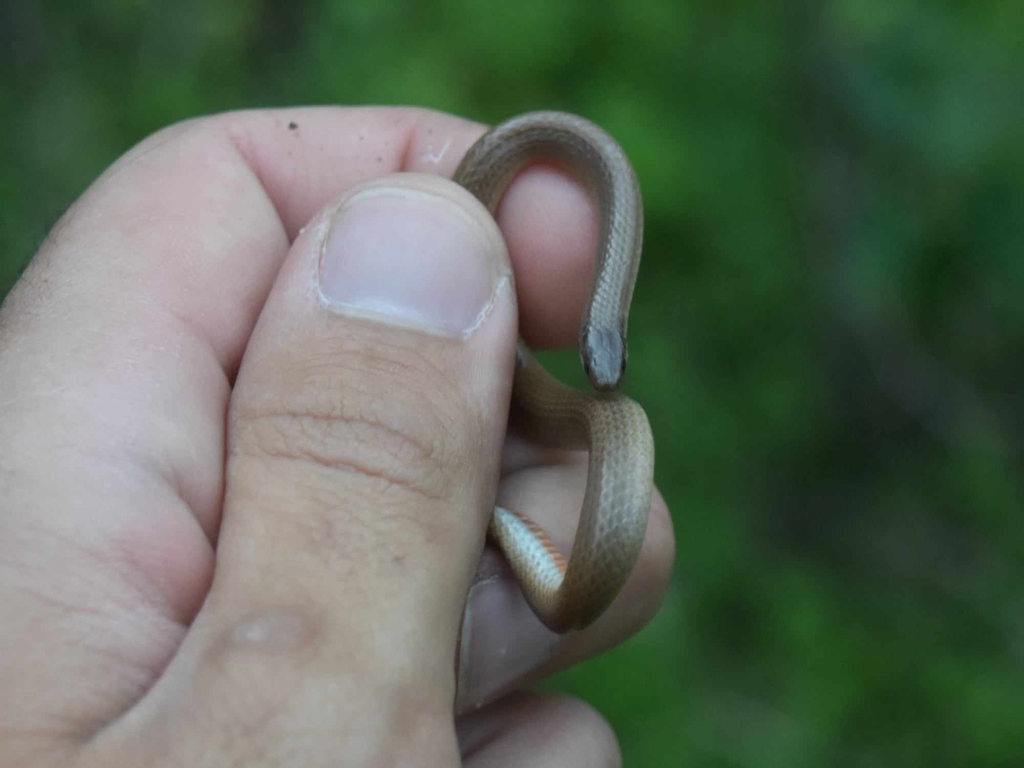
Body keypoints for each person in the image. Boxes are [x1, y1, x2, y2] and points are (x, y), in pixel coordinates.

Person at [0, 106, 674, 767]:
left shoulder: (601, 412)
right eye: (593, 364)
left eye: (603, 366)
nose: (600, 386)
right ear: (595, 333)